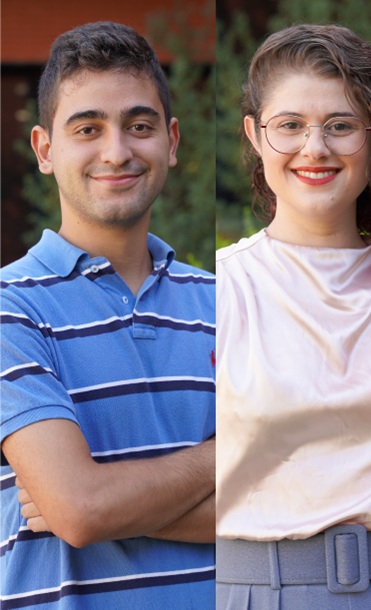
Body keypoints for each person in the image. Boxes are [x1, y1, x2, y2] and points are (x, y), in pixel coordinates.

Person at [0, 21, 215, 609]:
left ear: (171, 141)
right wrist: (227, 456)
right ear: (45, 149)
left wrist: (96, 504)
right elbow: (78, 508)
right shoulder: (9, 308)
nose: (117, 151)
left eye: (138, 126)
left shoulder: (230, 304)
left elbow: (285, 496)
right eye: (88, 128)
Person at [215, 24, 371, 609]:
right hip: (258, 589)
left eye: (340, 125)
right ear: (255, 138)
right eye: (290, 126)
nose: (315, 148)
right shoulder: (216, 291)